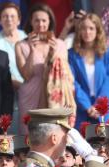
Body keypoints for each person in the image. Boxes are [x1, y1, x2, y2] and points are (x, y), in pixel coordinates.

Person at [15, 4, 70, 133]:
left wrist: (53, 53)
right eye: (37, 20)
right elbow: (26, 75)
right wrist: (32, 50)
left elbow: (64, 74)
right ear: (31, 22)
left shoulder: (60, 45)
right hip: (30, 97)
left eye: (44, 20)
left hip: (54, 97)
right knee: (29, 138)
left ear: (50, 22)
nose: (40, 24)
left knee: (54, 134)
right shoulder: (21, 45)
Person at [69, 14, 109, 129]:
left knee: (106, 145)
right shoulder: (71, 54)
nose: (87, 32)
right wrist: (87, 106)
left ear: (98, 30)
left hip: (103, 109)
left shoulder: (108, 52)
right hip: (82, 109)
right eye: (83, 28)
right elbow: (72, 82)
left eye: (91, 28)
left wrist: (98, 105)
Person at [0, 2, 28, 89]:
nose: (9, 19)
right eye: (5, 16)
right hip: (5, 87)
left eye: (12, 16)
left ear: (19, 20)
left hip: (27, 88)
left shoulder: (26, 38)